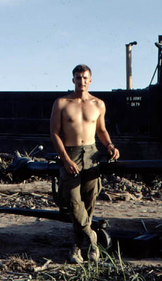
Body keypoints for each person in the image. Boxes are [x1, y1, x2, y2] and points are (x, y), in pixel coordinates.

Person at [50, 64, 120, 263]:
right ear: (73, 80)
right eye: (78, 78)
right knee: (72, 201)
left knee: (89, 201)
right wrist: (66, 159)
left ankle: (77, 247)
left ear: (90, 80)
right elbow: (54, 133)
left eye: (85, 78)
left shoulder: (98, 104)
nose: (81, 81)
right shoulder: (62, 103)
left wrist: (110, 146)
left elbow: (101, 130)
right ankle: (91, 236)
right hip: (70, 152)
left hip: (91, 154)